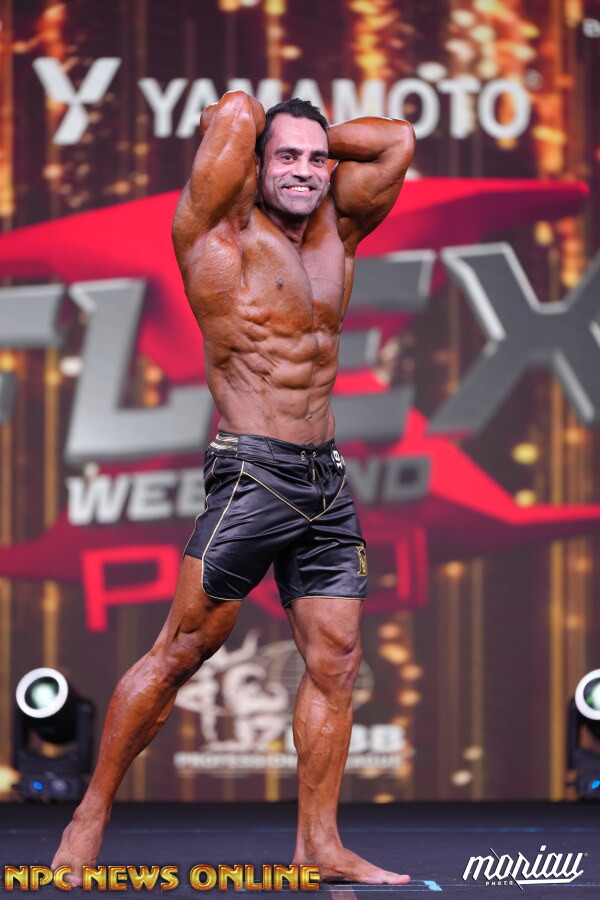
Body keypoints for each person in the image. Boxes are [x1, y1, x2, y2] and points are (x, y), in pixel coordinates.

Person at [52, 91, 414, 885]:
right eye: (287, 157)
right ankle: (89, 818)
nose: (306, 171)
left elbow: (395, 140)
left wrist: (316, 137)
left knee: (337, 661)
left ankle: (319, 846)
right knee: (183, 650)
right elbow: (240, 109)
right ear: (253, 162)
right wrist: (263, 133)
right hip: (254, 471)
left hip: (324, 479)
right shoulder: (216, 233)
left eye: (317, 160)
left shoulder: (339, 230)